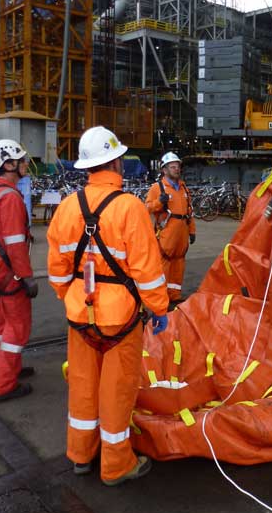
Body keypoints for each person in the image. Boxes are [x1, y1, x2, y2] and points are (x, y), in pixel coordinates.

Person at [47, 126, 169, 487]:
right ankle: (116, 465)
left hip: (80, 317)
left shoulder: (67, 208)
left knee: (83, 387)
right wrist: (159, 309)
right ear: (116, 161)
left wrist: (70, 298)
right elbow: (147, 270)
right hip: (122, 321)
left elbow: (56, 270)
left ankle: (81, 455)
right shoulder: (130, 208)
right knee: (116, 392)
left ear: (87, 167)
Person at [0, 139, 38, 402]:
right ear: (9, 164)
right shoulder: (10, 197)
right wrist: (26, 277)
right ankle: (4, 385)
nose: (26, 164)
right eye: (22, 160)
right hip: (10, 272)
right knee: (17, 327)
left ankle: (11, 368)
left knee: (3, 326)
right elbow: (15, 244)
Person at [145, 152, 196, 305]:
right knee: (164, 267)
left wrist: (192, 231)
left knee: (179, 264)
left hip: (181, 233)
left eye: (177, 166)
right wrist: (159, 202)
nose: (176, 169)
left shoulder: (183, 188)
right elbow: (146, 208)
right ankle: (161, 299)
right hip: (167, 234)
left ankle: (174, 296)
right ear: (164, 170)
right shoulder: (157, 188)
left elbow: (189, 211)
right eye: (172, 167)